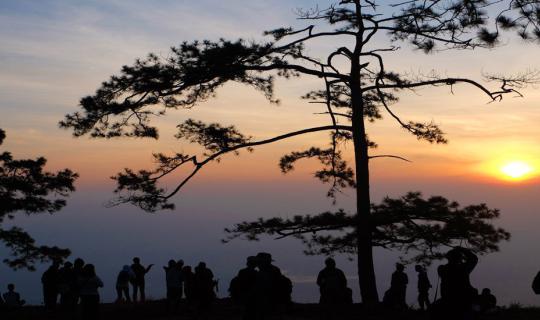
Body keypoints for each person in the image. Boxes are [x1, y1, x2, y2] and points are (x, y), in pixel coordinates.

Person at [436, 246, 478, 319]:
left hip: (447, 300)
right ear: (459, 258)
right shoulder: (463, 268)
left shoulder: (442, 269)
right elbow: (473, 259)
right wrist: (462, 249)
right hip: (463, 301)